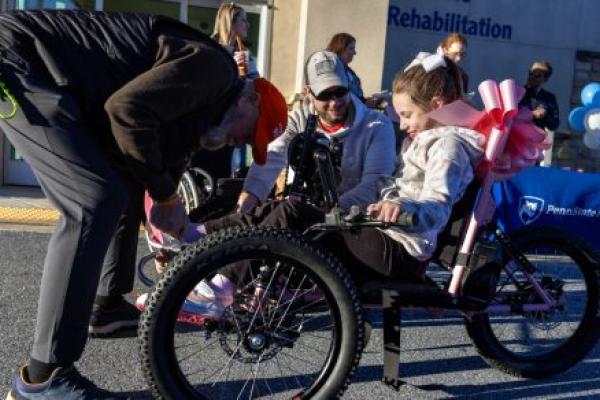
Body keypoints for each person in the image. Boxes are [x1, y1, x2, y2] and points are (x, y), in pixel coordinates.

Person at [0, 9, 286, 399]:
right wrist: (168, 196)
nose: (240, 144)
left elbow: (151, 164)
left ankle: (106, 308)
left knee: (122, 187)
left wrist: (177, 230)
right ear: (249, 97)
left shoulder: (200, 115)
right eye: (248, 133)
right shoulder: (215, 70)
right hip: (17, 59)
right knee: (92, 201)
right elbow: (126, 112)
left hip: (43, 72)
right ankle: (44, 378)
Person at [168, 50, 397, 316]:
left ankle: (223, 284)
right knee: (263, 209)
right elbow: (271, 159)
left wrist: (326, 211)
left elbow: (374, 186)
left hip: (352, 221)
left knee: (288, 210)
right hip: (313, 213)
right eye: (325, 95)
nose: (334, 102)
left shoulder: (376, 125)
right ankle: (192, 239)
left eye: (340, 92)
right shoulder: (300, 118)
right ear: (309, 92)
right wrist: (248, 197)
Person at [212, 2, 260, 172]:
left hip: (238, 119)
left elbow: (257, 85)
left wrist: (246, 75)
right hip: (214, 122)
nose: (248, 24)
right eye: (244, 20)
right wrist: (231, 67)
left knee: (234, 166)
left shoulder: (244, 53)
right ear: (231, 21)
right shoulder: (212, 49)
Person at [326, 32, 384, 108]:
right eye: (351, 48)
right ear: (340, 49)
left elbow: (354, 96)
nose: (354, 52)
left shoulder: (348, 71)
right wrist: (364, 104)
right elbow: (337, 97)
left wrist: (366, 101)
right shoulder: (332, 71)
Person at [519, 61, 560, 132]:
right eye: (531, 72)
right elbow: (510, 117)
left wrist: (545, 116)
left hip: (535, 140)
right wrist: (532, 114)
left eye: (537, 74)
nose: (532, 76)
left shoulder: (549, 98)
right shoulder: (516, 92)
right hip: (516, 138)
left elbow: (554, 125)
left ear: (545, 79)